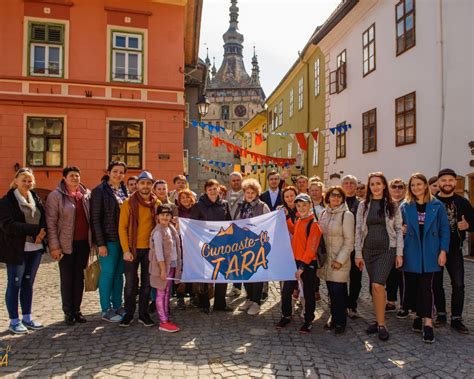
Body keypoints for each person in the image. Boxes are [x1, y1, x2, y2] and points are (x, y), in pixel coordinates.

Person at [400, 173, 450, 344]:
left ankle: (428, 323)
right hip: (411, 251)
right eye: (412, 185)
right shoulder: (405, 206)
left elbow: (444, 229)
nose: (416, 188)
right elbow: (396, 227)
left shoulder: (437, 205)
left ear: (425, 186)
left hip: (430, 252)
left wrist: (443, 251)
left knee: (426, 287)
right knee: (412, 286)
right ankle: (417, 315)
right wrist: (402, 230)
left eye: (419, 184)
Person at [355, 172, 403, 341]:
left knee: (377, 285)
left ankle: (381, 325)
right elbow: (358, 230)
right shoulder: (363, 205)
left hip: (387, 250)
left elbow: (398, 229)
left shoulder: (393, 205)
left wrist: (399, 253)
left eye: (378, 183)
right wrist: (358, 254)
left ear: (384, 185)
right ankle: (378, 319)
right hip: (368, 250)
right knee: (374, 287)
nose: (375, 186)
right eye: (372, 184)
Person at [0, 168, 47, 334]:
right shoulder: (7, 201)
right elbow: (8, 225)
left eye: (29, 181)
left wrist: (42, 233)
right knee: (15, 284)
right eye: (24, 180)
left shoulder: (34, 197)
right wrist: (35, 231)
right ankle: (14, 321)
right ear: (16, 181)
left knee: (28, 283)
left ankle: (27, 317)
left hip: (35, 248)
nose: (27, 183)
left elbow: (44, 218)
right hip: (16, 249)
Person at [46, 166, 91, 326]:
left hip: (83, 243)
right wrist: (54, 246)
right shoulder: (55, 196)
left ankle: (77, 310)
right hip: (65, 244)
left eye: (77, 176)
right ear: (64, 178)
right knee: (67, 279)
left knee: (79, 278)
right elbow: (51, 223)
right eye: (71, 176)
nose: (75, 178)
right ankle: (68, 312)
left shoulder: (86, 195)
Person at [433, 168, 474, 333]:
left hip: (455, 249)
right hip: (434, 249)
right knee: (436, 283)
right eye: (444, 180)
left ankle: (456, 318)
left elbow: (473, 221)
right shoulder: (432, 202)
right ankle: (441, 314)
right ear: (439, 183)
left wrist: (468, 225)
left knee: (458, 284)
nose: (447, 183)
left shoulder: (462, 202)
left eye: (450, 180)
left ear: (455, 182)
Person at [118, 171, 161, 327]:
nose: (145, 186)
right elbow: (122, 228)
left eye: (148, 183)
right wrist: (126, 250)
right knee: (130, 284)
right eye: (142, 183)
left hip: (149, 250)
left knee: (147, 284)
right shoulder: (128, 203)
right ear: (137, 185)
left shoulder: (157, 204)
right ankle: (129, 313)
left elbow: (160, 226)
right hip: (132, 249)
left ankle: (143, 314)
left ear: (152, 185)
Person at [276, 193, 322, 333]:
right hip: (293, 261)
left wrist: (302, 267)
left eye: (304, 205)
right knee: (286, 291)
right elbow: (293, 231)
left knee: (308, 293)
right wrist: (287, 217)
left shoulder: (314, 224)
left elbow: (311, 248)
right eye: (299, 205)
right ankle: (286, 315)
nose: (301, 208)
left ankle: (308, 320)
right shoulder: (299, 219)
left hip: (307, 264)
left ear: (310, 206)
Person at [90, 161, 129, 323]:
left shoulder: (123, 189)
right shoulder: (99, 191)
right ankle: (106, 309)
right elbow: (95, 219)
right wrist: (101, 244)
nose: (118, 174)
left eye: (121, 172)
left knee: (119, 274)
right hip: (108, 239)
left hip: (123, 239)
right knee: (108, 273)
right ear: (109, 172)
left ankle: (118, 305)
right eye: (115, 171)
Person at [190, 179, 232, 312]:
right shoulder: (198, 206)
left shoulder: (224, 204)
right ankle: (204, 303)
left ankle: (220, 303)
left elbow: (229, 223)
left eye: (215, 188)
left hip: (221, 245)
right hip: (205, 245)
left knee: (222, 274)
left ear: (219, 189)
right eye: (210, 189)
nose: (213, 191)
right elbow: (193, 226)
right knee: (205, 275)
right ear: (205, 191)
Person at [318, 186, 354, 335]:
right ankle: (334, 317)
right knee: (331, 292)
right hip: (326, 260)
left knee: (338, 291)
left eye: (339, 196)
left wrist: (340, 260)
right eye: (333, 195)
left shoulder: (347, 215)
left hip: (340, 260)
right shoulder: (322, 214)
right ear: (328, 197)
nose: (336, 198)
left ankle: (341, 322)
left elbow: (349, 241)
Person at [233, 178, 270, 315]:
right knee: (245, 273)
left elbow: (268, 224)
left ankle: (256, 302)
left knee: (257, 273)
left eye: (252, 192)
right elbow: (234, 222)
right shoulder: (240, 205)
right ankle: (248, 298)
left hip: (257, 245)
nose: (249, 195)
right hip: (242, 245)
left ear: (257, 193)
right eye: (247, 192)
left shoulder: (262, 206)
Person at [149, 204, 182, 332]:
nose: (165, 217)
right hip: (162, 267)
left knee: (168, 292)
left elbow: (175, 242)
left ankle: (166, 316)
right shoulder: (158, 232)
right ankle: (163, 321)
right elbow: (159, 253)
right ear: (157, 217)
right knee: (161, 293)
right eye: (162, 214)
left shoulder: (171, 228)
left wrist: (178, 224)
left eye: (168, 215)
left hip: (172, 264)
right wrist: (163, 269)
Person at [341, 175, 361, 319]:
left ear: (356, 186)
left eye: (351, 183)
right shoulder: (336, 201)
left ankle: (352, 304)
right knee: (338, 276)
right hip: (339, 245)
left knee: (355, 277)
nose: (348, 185)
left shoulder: (362, 204)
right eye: (346, 183)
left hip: (356, 246)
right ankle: (338, 302)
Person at [386, 178, 407, 314]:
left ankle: (405, 304)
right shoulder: (387, 204)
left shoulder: (408, 204)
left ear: (404, 189)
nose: (397, 189)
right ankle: (391, 301)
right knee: (391, 275)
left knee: (403, 276)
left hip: (406, 245)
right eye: (394, 187)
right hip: (390, 244)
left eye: (400, 187)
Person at [175, 189, 197, 309]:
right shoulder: (176, 211)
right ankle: (180, 297)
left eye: (187, 197)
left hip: (193, 245)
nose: (185, 200)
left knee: (193, 269)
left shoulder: (196, 210)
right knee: (181, 271)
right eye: (182, 197)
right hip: (180, 245)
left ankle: (193, 296)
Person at [225, 172, 244, 297]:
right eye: (234, 180)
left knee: (243, 260)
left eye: (238, 180)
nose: (236, 182)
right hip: (228, 232)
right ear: (230, 182)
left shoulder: (246, 194)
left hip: (242, 232)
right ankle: (235, 286)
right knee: (232, 260)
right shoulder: (226, 194)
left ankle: (242, 287)